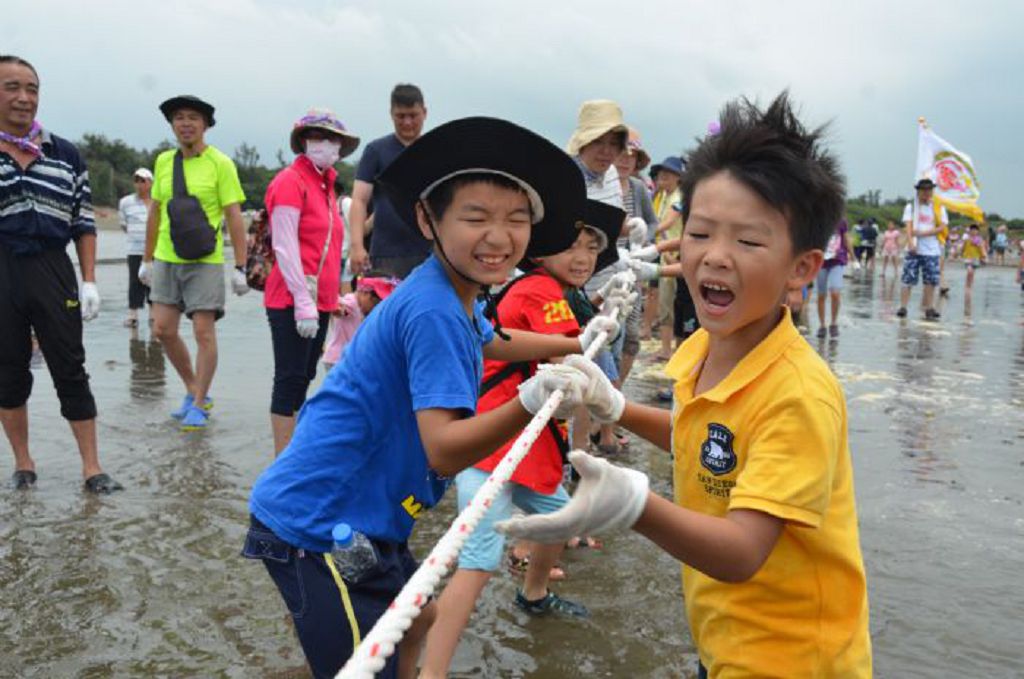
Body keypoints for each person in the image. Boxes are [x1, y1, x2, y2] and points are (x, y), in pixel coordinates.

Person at [498, 92, 872, 678]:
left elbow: (743, 551)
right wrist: (614, 405)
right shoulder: (705, 349)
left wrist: (634, 507)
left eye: (748, 242)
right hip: (723, 641)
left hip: (794, 659)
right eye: (700, 234)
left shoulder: (799, 392)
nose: (715, 257)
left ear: (801, 269)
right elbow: (710, 441)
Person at [244, 117, 622, 679]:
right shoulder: (434, 309)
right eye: (475, 217)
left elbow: (493, 340)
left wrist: (575, 344)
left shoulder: (458, 294)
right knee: (366, 664)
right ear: (428, 219)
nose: (498, 237)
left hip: (371, 519)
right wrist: (529, 397)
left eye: (517, 219)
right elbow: (444, 450)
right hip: (321, 526)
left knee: (417, 619)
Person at [420, 199, 626, 678]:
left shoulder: (551, 288)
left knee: (559, 517)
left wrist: (594, 320)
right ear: (541, 249)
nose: (583, 257)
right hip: (494, 445)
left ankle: (533, 593)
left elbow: (569, 339)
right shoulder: (538, 288)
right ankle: (431, 670)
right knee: (477, 560)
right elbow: (571, 351)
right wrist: (587, 340)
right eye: (571, 245)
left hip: (525, 443)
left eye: (592, 249)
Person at [0, 55, 122, 493]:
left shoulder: (65, 152)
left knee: (70, 366)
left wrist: (89, 280)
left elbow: (83, 223)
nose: (23, 97)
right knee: (8, 372)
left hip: (53, 267)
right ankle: (24, 463)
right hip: (2, 268)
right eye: (12, 87)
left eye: (31, 88)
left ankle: (92, 467)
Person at [139, 95, 248, 430]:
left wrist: (240, 266)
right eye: (179, 118)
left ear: (205, 125)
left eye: (193, 118)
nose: (186, 123)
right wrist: (147, 259)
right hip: (167, 258)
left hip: (205, 259)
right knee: (162, 329)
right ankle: (192, 387)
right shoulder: (163, 162)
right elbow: (155, 212)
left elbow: (234, 215)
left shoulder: (221, 164)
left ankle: (199, 403)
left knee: (203, 331)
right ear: (172, 125)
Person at [262, 108, 359, 454]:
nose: (326, 144)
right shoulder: (291, 180)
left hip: (320, 300)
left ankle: (294, 450)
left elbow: (332, 247)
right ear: (304, 141)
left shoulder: (327, 186)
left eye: (333, 139)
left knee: (304, 377)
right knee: (288, 378)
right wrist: (302, 300)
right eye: (318, 136)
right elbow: (285, 245)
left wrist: (335, 299)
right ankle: (282, 460)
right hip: (290, 297)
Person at [566, 99, 630, 455]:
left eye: (613, 144)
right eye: (599, 142)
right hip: (579, 285)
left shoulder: (611, 176)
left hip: (611, 277)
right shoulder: (567, 176)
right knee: (587, 366)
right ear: (583, 142)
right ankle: (579, 449)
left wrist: (627, 229)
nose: (607, 152)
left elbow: (613, 221)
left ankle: (604, 435)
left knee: (611, 362)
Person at [347, 84, 430, 279]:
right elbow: (359, 200)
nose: (407, 122)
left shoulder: (435, 149)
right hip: (385, 254)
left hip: (429, 252)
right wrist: (357, 246)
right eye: (401, 116)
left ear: (424, 113)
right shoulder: (375, 151)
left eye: (413, 115)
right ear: (391, 114)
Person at [647, 156, 685, 360]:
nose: (662, 178)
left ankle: (668, 350)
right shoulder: (663, 197)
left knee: (670, 304)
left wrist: (645, 232)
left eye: (667, 175)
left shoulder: (678, 199)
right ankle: (666, 348)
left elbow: (667, 225)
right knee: (665, 302)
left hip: (674, 256)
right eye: (661, 175)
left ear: (678, 177)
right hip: (666, 255)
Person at [321, 274, 397, 372]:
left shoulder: (367, 310)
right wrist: (338, 309)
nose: (377, 305)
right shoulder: (352, 302)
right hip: (338, 359)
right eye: (375, 300)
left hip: (349, 358)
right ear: (364, 293)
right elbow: (340, 306)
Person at [897, 178, 947, 320]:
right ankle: (903, 306)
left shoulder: (938, 207)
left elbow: (942, 226)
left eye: (928, 189)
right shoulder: (911, 207)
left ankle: (929, 307)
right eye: (923, 190)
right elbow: (908, 225)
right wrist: (911, 241)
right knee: (908, 278)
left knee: (931, 280)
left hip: (931, 248)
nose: (926, 192)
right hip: (914, 247)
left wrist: (923, 233)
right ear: (918, 191)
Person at [118, 168, 153, 327]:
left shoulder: (157, 202)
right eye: (136, 181)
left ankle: (154, 315)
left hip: (156, 250)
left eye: (143, 181)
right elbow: (124, 225)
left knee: (154, 282)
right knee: (135, 281)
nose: (139, 185)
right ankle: (133, 315)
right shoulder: (126, 202)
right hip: (134, 249)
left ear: (150, 183)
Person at [816, 218, 854, 338]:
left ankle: (833, 323)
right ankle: (822, 325)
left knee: (835, 293)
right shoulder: (818, 220)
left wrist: (853, 256)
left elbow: (846, 239)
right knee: (821, 294)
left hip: (837, 260)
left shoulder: (841, 222)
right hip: (821, 261)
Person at [961, 223, 988, 311]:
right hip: (968, 259)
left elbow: (982, 249)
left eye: (975, 230)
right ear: (969, 231)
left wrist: (984, 257)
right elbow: (962, 248)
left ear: (977, 231)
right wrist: (956, 254)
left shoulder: (979, 240)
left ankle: (969, 288)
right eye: (972, 230)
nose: (973, 231)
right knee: (969, 271)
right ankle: (967, 288)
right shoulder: (966, 239)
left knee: (972, 275)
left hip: (976, 259)